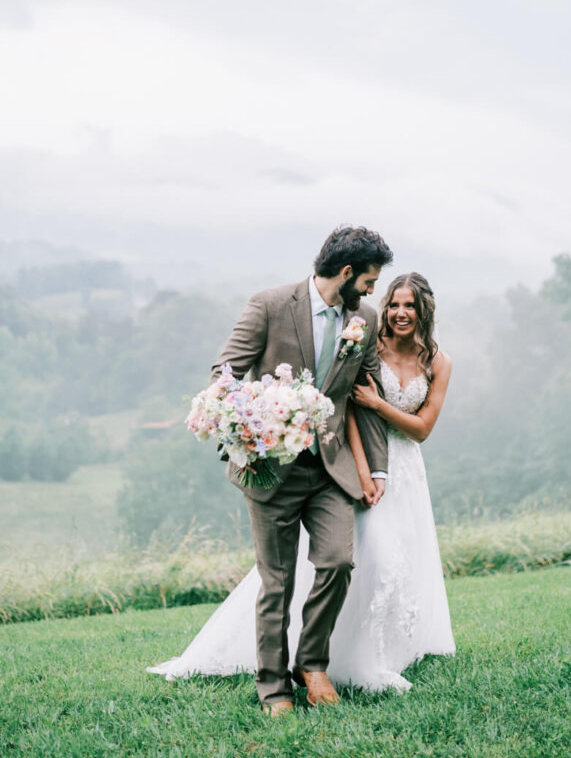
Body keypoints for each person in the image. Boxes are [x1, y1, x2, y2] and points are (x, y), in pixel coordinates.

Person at [148, 269, 455, 699]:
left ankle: (360, 655)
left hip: (397, 469)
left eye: (411, 305)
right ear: (351, 274)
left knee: (373, 563)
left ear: (426, 311)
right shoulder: (307, 316)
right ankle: (285, 680)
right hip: (334, 461)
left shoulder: (421, 354)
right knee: (311, 571)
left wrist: (377, 430)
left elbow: (417, 425)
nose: (399, 311)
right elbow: (348, 408)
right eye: (392, 300)